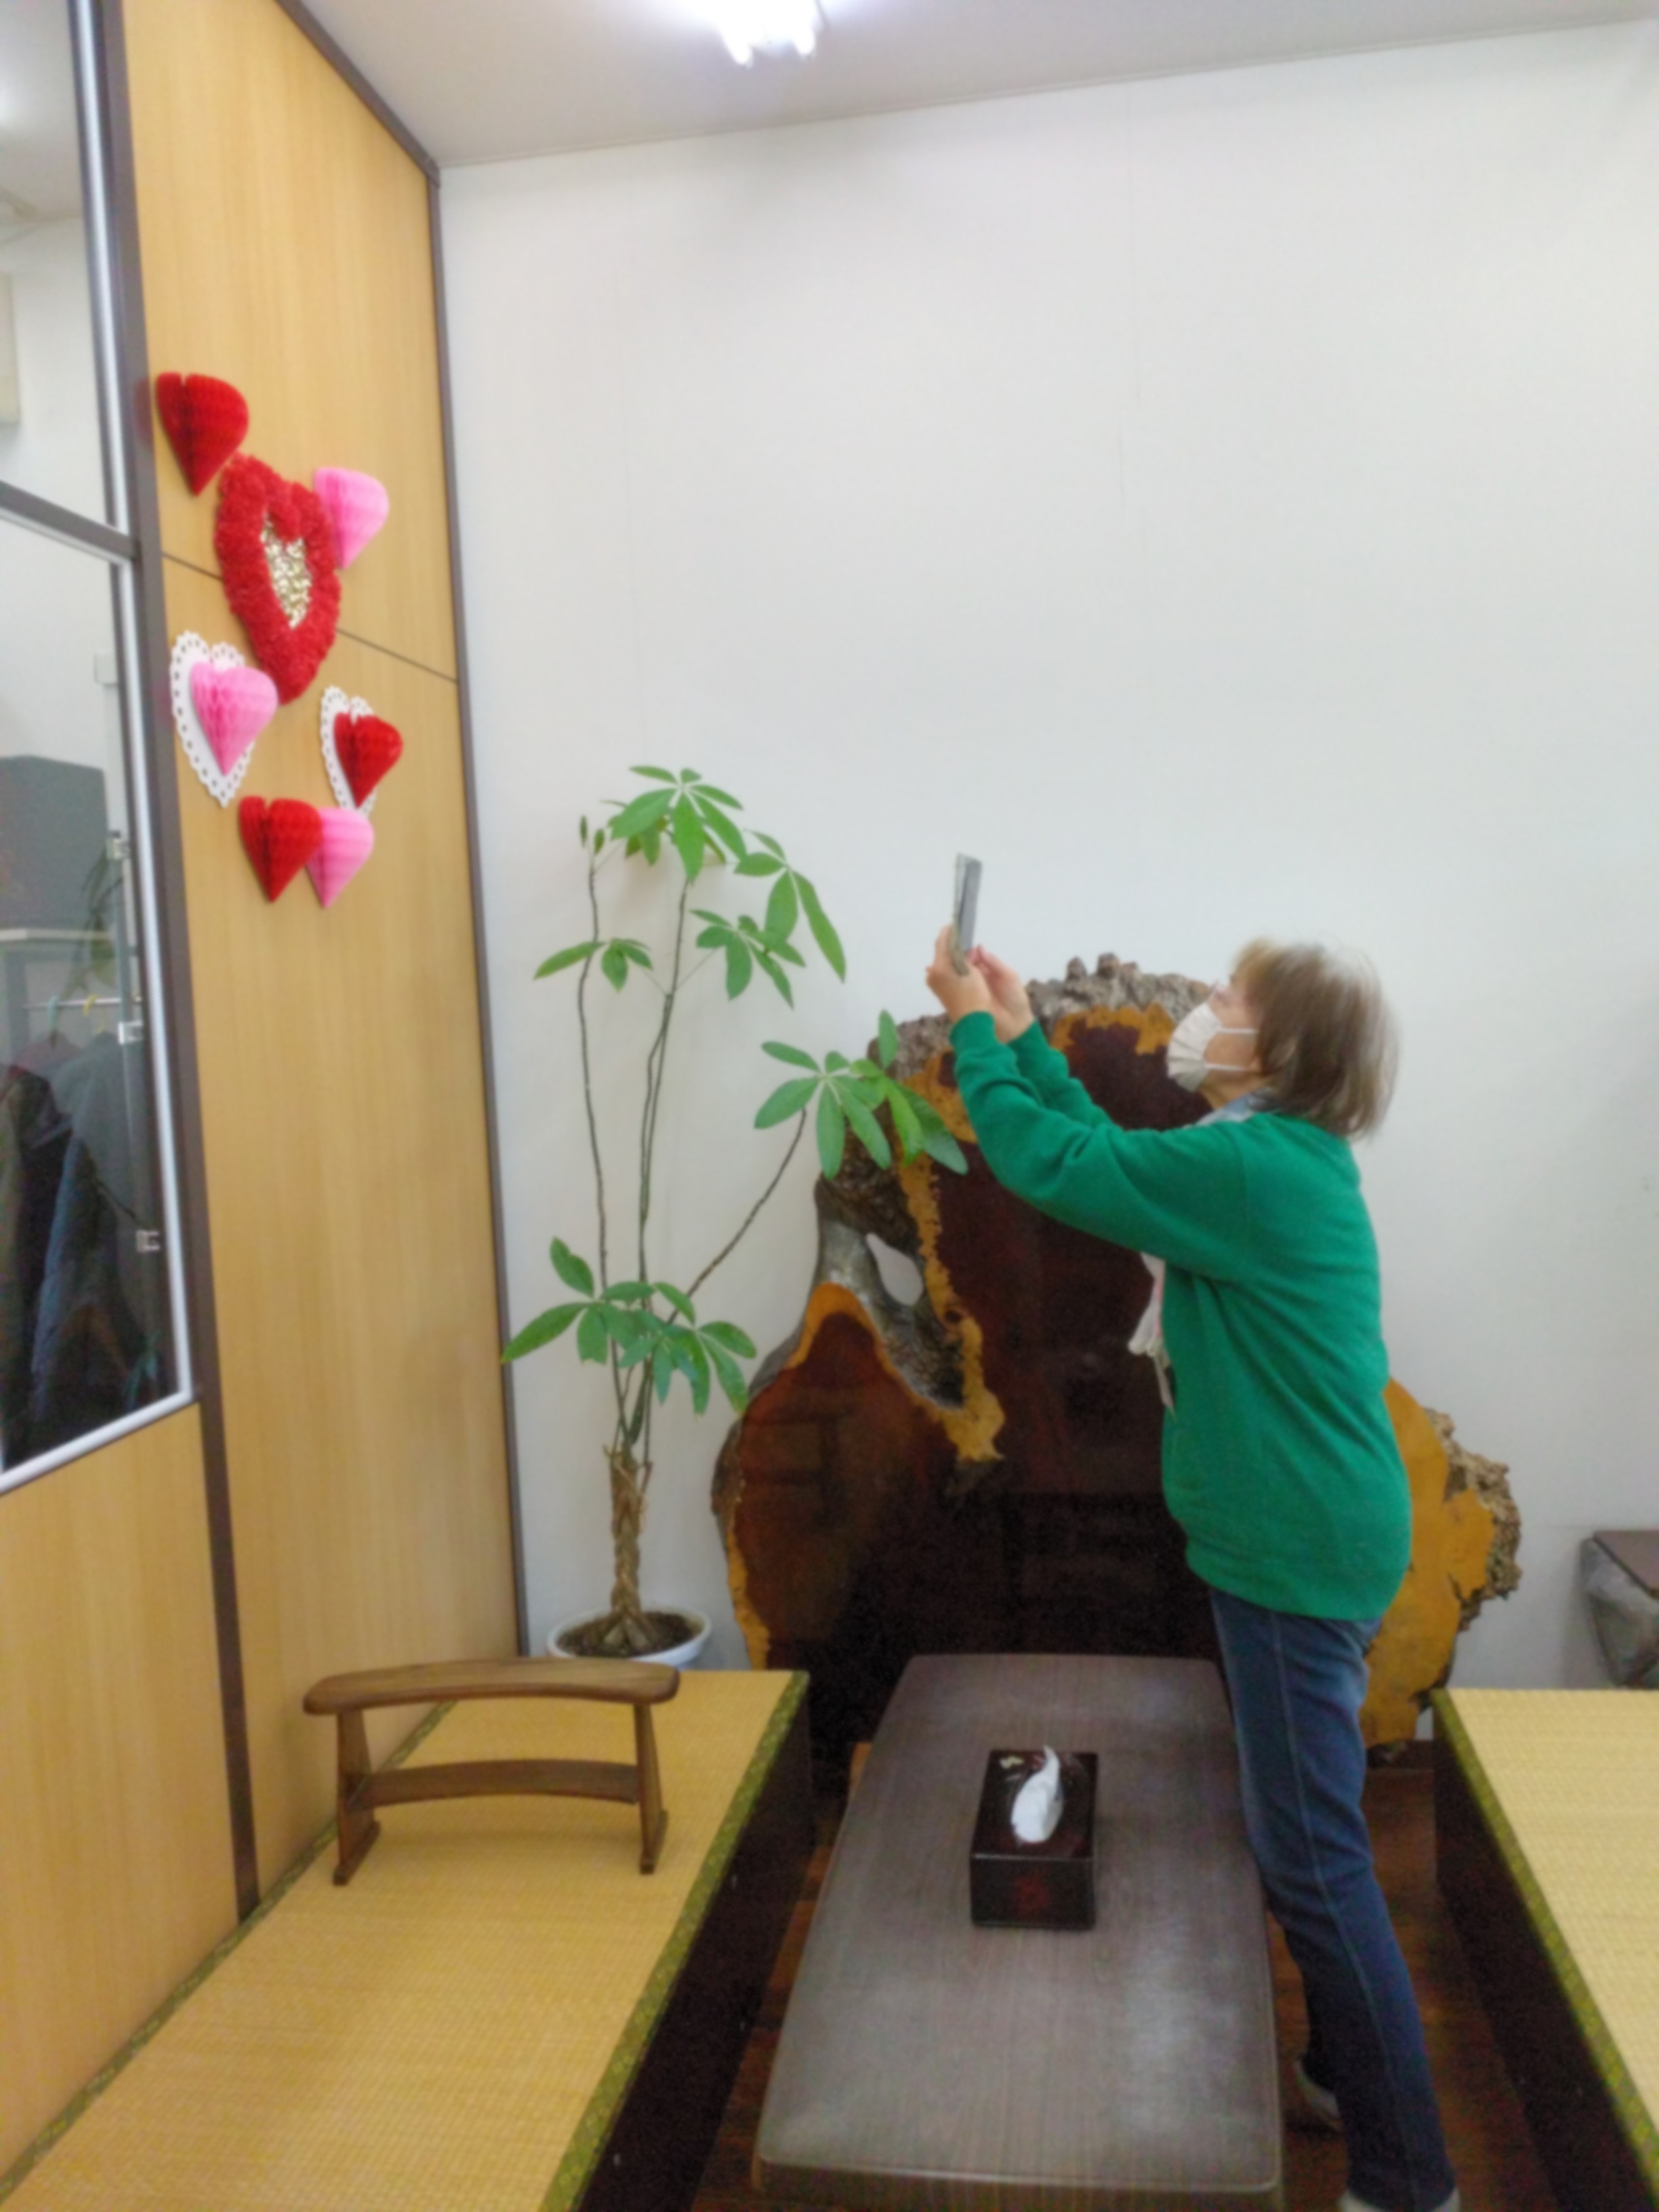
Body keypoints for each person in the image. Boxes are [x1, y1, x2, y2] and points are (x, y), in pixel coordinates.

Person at [924, 928, 1458, 2212]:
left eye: (1228, 995)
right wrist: (1022, 1034)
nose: (1204, 1008)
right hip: (1302, 1536)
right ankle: (1340, 2071)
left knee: (1314, 1862)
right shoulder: (1262, 1155)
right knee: (1309, 1841)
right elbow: (1104, 1158)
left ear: (1277, 1047)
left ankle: (1410, 2181)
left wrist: (974, 1037)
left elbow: (1056, 1165)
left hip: (1295, 1551)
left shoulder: (1254, 1168)